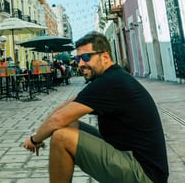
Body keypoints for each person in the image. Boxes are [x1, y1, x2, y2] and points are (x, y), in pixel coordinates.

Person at [23, 31, 168, 183]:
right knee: (69, 122)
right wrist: (40, 133)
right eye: (78, 58)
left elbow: (57, 119)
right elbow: (62, 111)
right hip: (127, 155)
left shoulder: (110, 82)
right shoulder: (110, 78)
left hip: (144, 175)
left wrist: (34, 140)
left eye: (86, 57)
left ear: (105, 57)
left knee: (61, 137)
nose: (80, 64)